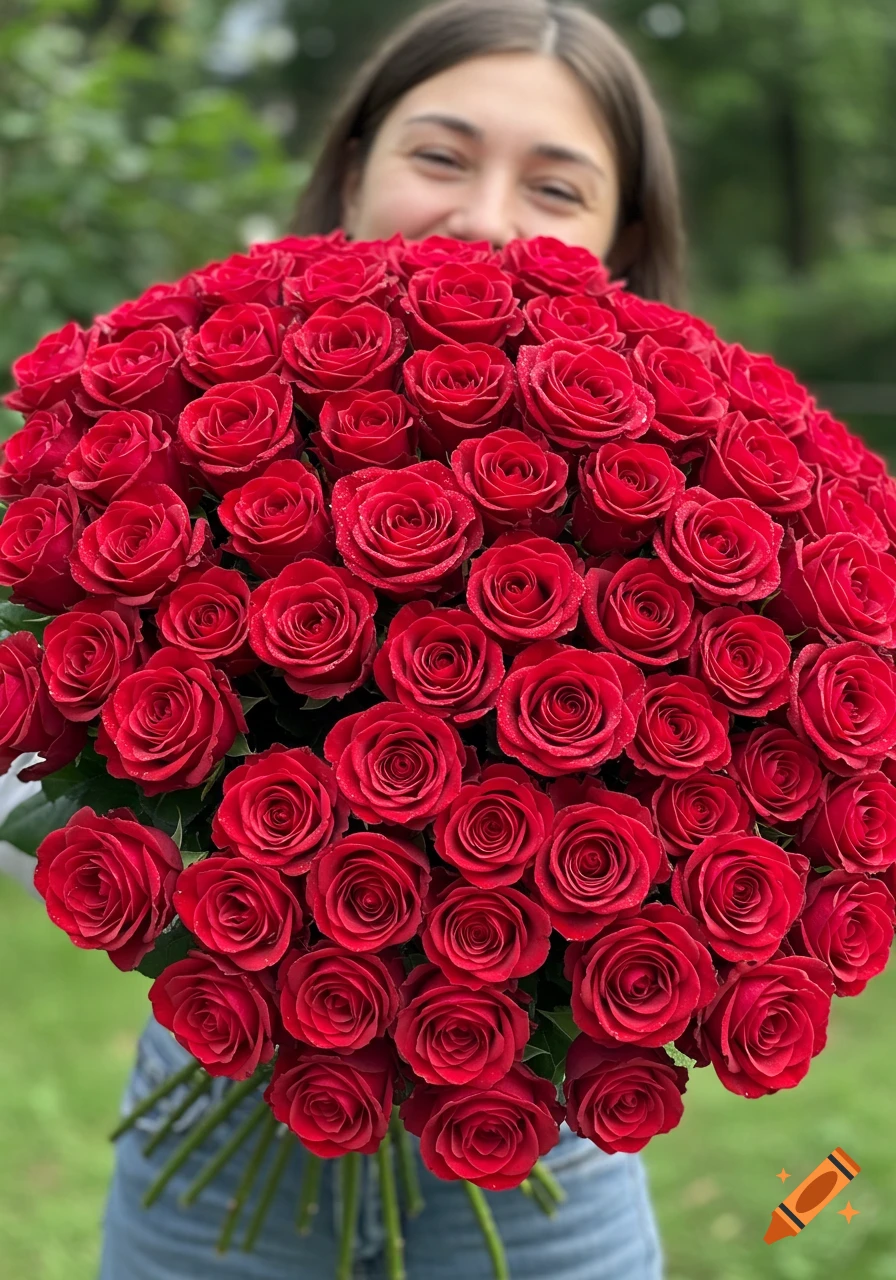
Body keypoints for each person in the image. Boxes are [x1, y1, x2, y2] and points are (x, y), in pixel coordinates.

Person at [97, 1, 686, 1275]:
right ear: (351, 166)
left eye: (554, 184)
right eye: (437, 155)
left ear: (619, 241)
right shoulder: (198, 421)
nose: (481, 219)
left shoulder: (678, 497)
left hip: (545, 1170)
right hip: (221, 1114)